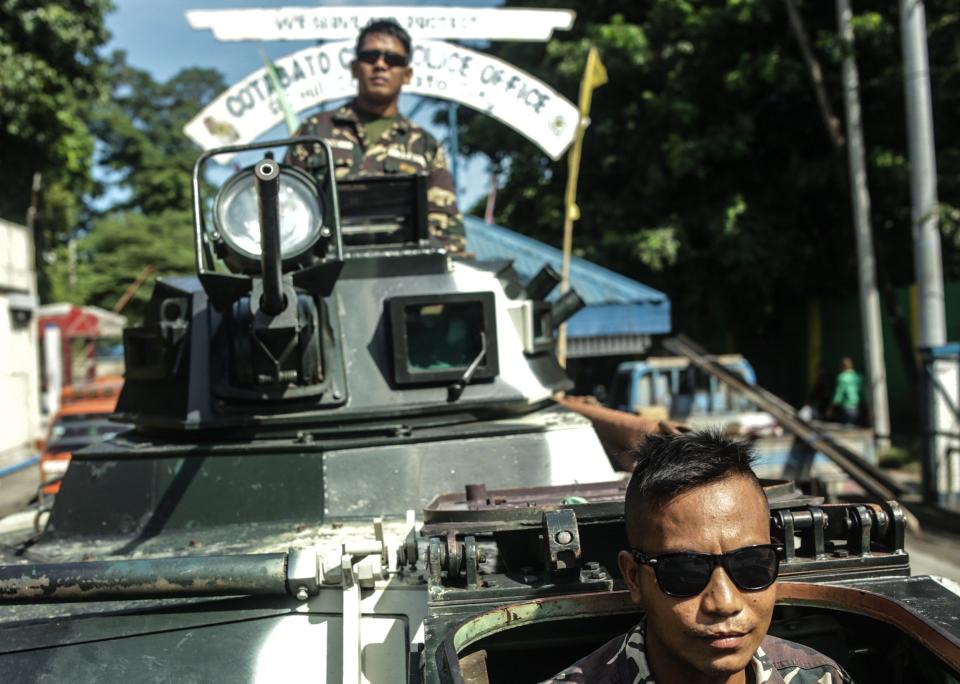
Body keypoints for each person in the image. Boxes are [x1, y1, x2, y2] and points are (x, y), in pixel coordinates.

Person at [543, 431, 851, 683]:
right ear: (634, 577)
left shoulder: (820, 678)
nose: (725, 603)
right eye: (685, 573)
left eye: (751, 565)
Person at [285, 18, 464, 251]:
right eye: (370, 56)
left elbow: (448, 231)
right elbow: (286, 208)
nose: (380, 65)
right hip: (324, 273)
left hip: (407, 276)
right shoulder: (314, 132)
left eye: (393, 59)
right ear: (354, 68)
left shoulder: (425, 145)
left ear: (407, 74)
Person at [830, 357, 863, 426]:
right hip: (856, 409)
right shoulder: (858, 377)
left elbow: (838, 395)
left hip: (846, 409)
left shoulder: (842, 377)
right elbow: (863, 393)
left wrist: (831, 408)